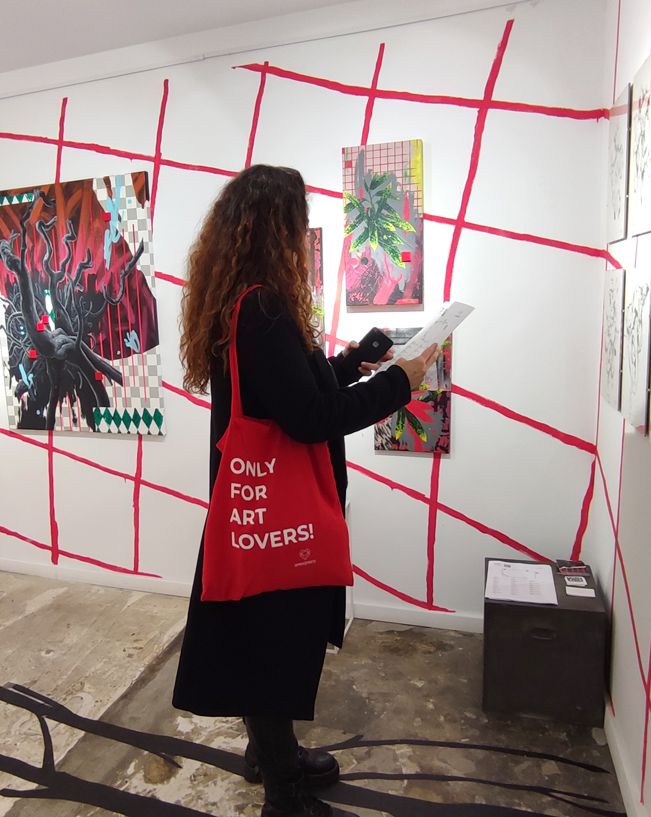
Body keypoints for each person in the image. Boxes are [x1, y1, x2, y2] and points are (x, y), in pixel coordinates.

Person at [172, 164, 438, 817]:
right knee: (273, 646)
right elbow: (312, 418)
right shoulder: (263, 309)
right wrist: (400, 383)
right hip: (276, 515)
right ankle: (284, 792)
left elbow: (290, 393)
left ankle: (272, 755)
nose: (303, 236)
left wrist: (352, 362)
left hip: (259, 509)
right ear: (275, 227)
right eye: (297, 222)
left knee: (264, 639)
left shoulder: (248, 303)